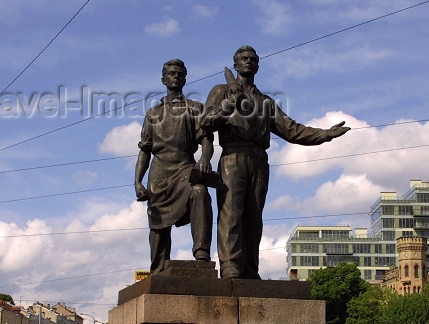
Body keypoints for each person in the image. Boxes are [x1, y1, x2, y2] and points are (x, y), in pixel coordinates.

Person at [201, 45, 350, 279]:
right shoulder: (221, 90)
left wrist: (324, 135)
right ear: (236, 64)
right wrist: (229, 104)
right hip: (232, 156)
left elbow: (292, 130)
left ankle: (250, 269)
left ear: (258, 65)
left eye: (252, 59)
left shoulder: (266, 102)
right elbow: (206, 122)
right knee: (231, 213)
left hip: (259, 160)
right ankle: (230, 266)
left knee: (253, 217)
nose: (248, 61)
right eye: (243, 58)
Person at [135, 58, 214, 273]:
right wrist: (137, 182)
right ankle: (158, 269)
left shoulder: (195, 108)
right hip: (159, 173)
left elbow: (206, 139)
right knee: (158, 226)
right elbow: (145, 149)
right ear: (163, 79)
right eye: (171, 73)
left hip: (185, 169)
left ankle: (201, 253)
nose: (175, 76)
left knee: (200, 192)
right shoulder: (153, 114)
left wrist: (205, 159)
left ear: (185, 79)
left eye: (179, 73)